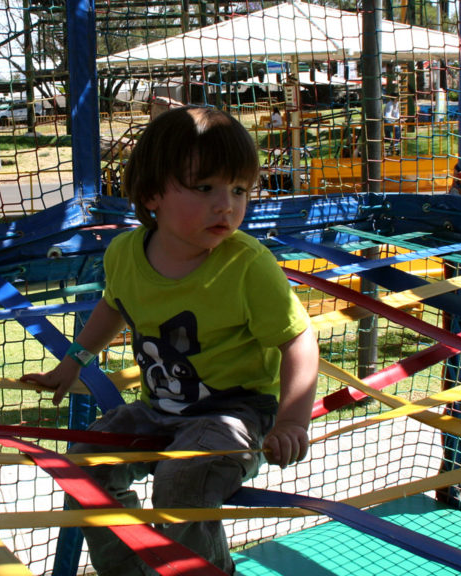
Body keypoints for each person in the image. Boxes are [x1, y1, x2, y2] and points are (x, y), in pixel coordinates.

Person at [23, 106, 319, 576]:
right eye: (205, 188)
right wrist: (75, 361)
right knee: (84, 463)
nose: (226, 204)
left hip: (235, 412)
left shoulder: (245, 264)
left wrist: (291, 421)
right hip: (161, 408)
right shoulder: (125, 252)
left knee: (182, 478)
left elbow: (298, 340)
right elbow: (114, 305)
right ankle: (127, 569)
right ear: (151, 194)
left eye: (239, 189)